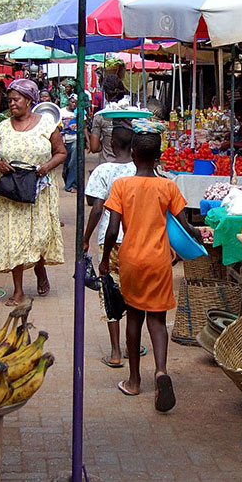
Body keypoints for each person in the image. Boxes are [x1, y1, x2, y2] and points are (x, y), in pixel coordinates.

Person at [100, 120, 203, 408]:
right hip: (160, 261)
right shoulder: (168, 187)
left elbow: (111, 230)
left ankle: (134, 382)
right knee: (157, 320)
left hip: (131, 259)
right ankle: (161, 371)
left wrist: (106, 260)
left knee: (134, 318)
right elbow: (186, 226)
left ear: (132, 154)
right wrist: (202, 237)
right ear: (158, 158)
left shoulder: (122, 185)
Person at [0, 78, 66, 304]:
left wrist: (46, 167)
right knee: (15, 239)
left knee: (38, 236)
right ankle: (18, 290)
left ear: (29, 100)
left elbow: (61, 152)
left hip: (39, 190)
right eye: (9, 100)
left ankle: (40, 268)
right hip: (12, 192)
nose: (11, 104)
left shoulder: (47, 125)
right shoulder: (2, 128)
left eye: (16, 99)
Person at [83, 125, 141, 368]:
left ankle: (116, 351)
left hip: (111, 241)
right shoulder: (143, 170)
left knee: (110, 293)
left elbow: (96, 208)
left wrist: (85, 238)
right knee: (134, 295)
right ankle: (132, 347)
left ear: (111, 144)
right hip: (137, 241)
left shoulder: (103, 170)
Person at [88, 75, 130, 164]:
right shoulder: (133, 114)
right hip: (130, 167)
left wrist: (104, 144)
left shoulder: (101, 116)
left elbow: (94, 148)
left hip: (107, 166)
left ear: (106, 95)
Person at [61, 95, 79, 192]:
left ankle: (72, 185)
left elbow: (83, 127)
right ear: (69, 101)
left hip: (75, 139)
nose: (74, 104)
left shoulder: (80, 112)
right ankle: (68, 181)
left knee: (73, 162)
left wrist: (87, 141)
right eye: (72, 102)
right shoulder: (61, 111)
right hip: (64, 140)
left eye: (76, 102)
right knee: (67, 164)